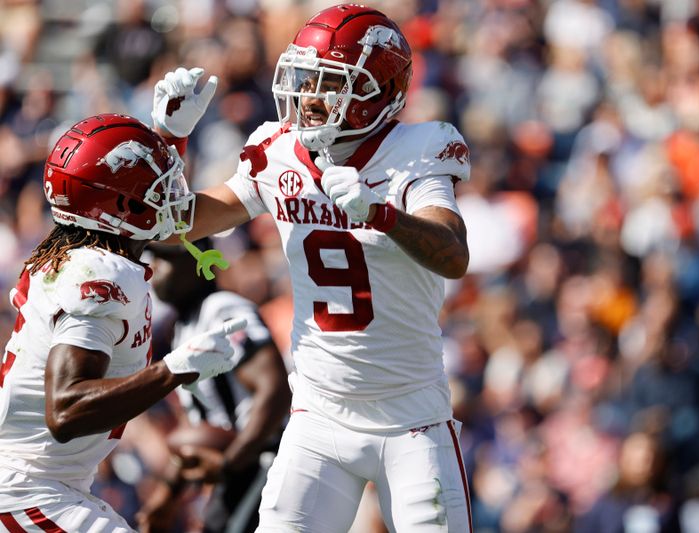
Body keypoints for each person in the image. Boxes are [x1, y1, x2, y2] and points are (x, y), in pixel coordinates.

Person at [151, 4, 473, 531]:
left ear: (379, 92)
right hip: (318, 412)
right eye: (305, 78)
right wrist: (169, 144)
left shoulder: (416, 151)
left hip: (411, 417)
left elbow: (453, 253)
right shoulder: (278, 150)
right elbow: (175, 225)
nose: (309, 96)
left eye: (329, 83)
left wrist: (382, 215)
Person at [0, 113, 244, 531]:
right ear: (122, 205)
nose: (174, 195)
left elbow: (135, 210)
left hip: (45, 482)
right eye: (159, 187)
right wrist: (173, 370)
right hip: (28, 487)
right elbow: (67, 410)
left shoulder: (74, 247)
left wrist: (169, 139)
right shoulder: (101, 273)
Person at [137, 240, 291, 533]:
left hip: (263, 462)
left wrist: (228, 464)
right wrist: (169, 493)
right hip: (240, 468)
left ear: (198, 263)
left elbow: (275, 392)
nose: (153, 267)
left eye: (165, 258)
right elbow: (198, 423)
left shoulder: (221, 309)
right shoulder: (184, 325)